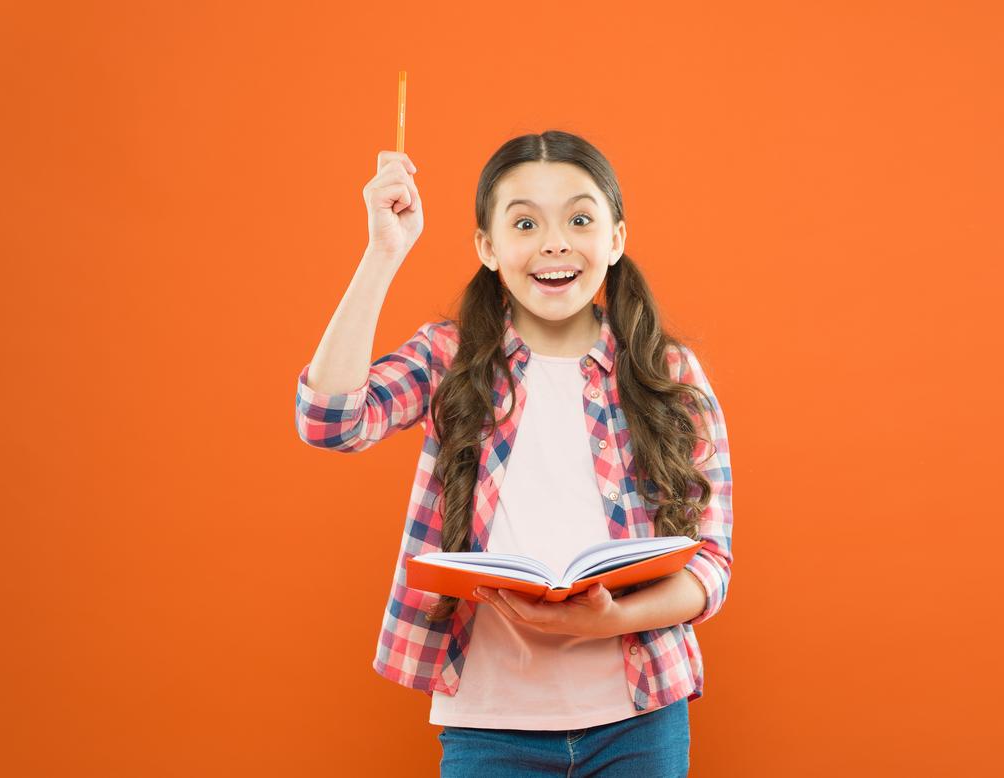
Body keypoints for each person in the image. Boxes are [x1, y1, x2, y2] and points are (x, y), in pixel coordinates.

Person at [295, 130, 733, 777]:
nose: (554, 241)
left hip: (640, 719)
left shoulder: (669, 372)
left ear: (615, 238)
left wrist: (610, 621)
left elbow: (712, 567)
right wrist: (381, 255)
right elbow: (328, 420)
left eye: (579, 218)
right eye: (525, 222)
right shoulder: (450, 357)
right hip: (489, 727)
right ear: (487, 247)